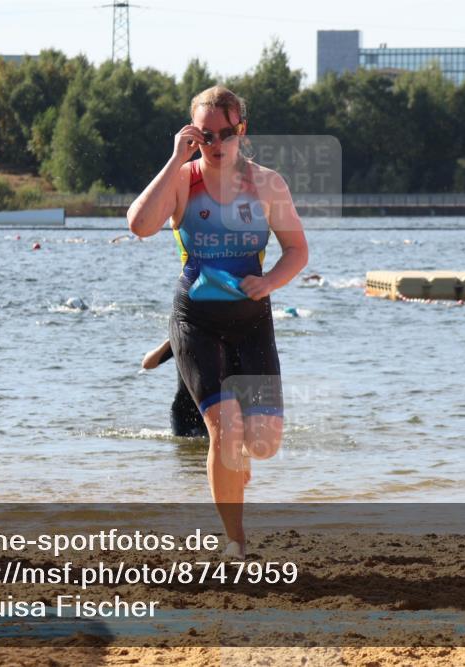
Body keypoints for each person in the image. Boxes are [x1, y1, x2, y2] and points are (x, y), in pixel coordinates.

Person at [127, 86, 308, 558]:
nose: (216, 144)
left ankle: (237, 462)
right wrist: (173, 160)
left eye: (225, 134)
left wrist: (269, 282)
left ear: (241, 131)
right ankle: (236, 542)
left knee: (262, 444)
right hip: (196, 319)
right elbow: (139, 225)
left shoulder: (268, 184)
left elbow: (297, 250)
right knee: (224, 433)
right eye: (204, 135)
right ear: (192, 135)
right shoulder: (183, 181)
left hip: (251, 319)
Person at [142, 339, 208, 439]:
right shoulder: (183, 339)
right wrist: (171, 340)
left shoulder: (221, 340)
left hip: (213, 406)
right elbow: (147, 364)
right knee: (183, 449)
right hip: (183, 410)